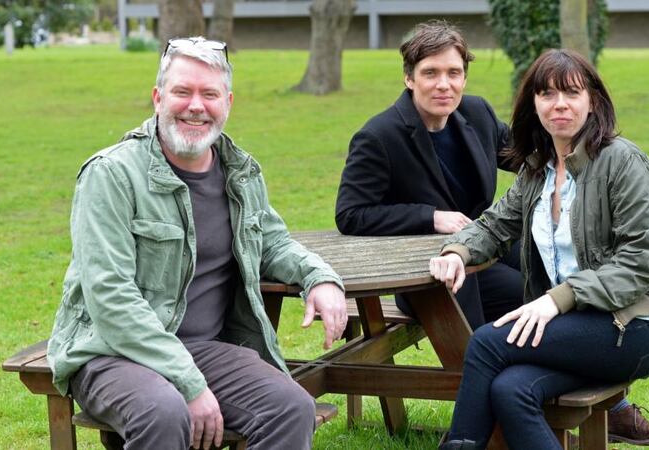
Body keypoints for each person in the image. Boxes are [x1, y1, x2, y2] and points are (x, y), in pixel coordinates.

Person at [47, 37, 348, 450]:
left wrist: (320, 278)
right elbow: (110, 297)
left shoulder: (239, 171)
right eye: (182, 92)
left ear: (228, 102)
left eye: (209, 94)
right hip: (110, 350)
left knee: (290, 407)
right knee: (164, 412)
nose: (196, 106)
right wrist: (189, 384)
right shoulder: (111, 175)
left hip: (205, 347)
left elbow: (273, 243)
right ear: (157, 98)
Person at [431, 49, 649, 449]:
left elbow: (640, 263)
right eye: (547, 94)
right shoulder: (539, 168)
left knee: (486, 341)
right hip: (577, 323)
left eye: (571, 93)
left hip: (635, 324)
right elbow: (497, 224)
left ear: (593, 102)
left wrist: (556, 300)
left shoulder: (623, 163)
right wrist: (457, 252)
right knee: (511, 389)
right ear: (534, 104)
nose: (559, 104)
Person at [335, 20, 524, 329]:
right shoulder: (379, 136)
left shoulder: (478, 114)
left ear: (464, 77)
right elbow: (351, 214)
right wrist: (431, 217)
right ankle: (490, 371)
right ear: (409, 78)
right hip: (426, 270)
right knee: (523, 293)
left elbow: (525, 158)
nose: (443, 84)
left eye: (453, 73)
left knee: (552, 274)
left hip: (479, 244)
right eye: (430, 73)